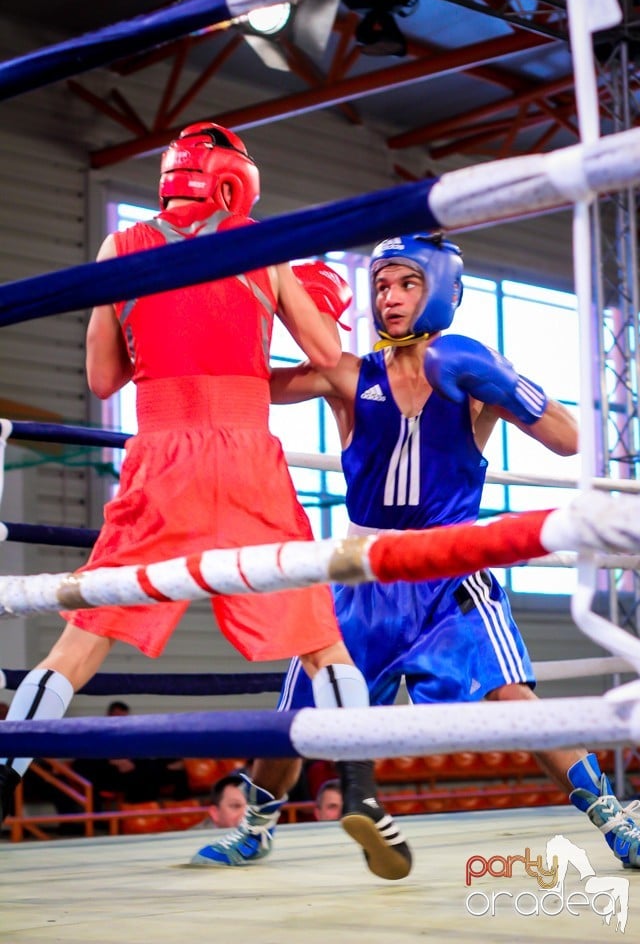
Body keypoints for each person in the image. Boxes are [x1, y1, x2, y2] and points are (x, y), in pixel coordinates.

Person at [0, 122, 411, 882]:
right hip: (247, 453)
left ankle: (2, 781)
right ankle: (359, 789)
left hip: (159, 455)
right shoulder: (264, 248)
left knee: (81, 637)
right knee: (319, 637)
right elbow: (328, 360)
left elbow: (101, 380)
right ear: (235, 182)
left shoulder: (118, 250)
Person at [198, 233, 640, 872]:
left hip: (449, 569)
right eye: (381, 286)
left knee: (511, 697)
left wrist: (504, 377)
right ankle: (257, 827)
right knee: (299, 712)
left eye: (406, 283)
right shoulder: (348, 375)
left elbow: (570, 441)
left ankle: (614, 819)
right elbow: (245, 389)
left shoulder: (471, 376)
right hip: (362, 572)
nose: (391, 298)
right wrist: (236, 322)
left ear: (439, 289)